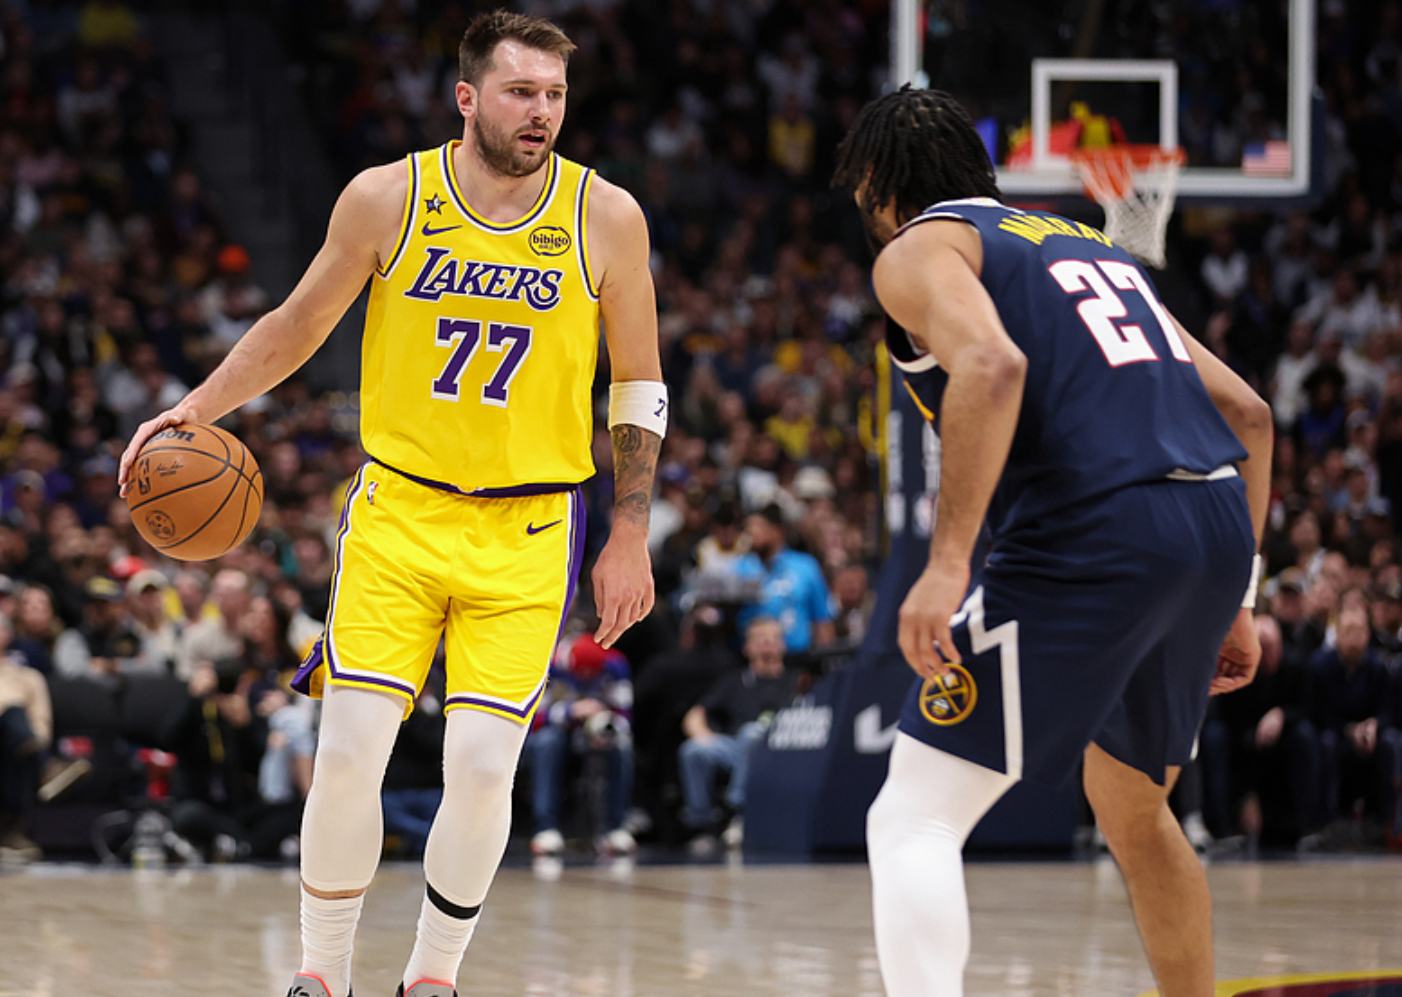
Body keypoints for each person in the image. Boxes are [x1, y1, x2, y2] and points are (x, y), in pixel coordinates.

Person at [118, 11, 664, 997]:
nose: (541, 112)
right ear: (467, 97)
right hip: (399, 514)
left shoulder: (606, 216)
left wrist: (630, 529)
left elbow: (638, 384)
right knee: (348, 750)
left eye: (553, 95)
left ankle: (431, 980)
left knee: (484, 767)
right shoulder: (388, 197)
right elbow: (297, 324)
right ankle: (321, 975)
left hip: (531, 526)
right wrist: (193, 409)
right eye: (520, 92)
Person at [832, 87, 1272, 997]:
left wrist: (945, 565)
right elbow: (1248, 412)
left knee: (912, 815)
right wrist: (1241, 599)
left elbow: (992, 365)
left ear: (877, 185)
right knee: (1135, 810)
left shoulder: (920, 247)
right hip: (1214, 518)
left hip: (1097, 527)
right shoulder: (1086, 244)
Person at [677, 616, 800, 850]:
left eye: (772, 639)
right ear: (747, 647)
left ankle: (737, 809)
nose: (766, 645)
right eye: (760, 639)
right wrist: (704, 735)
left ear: (782, 645)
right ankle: (701, 825)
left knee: (753, 733)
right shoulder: (734, 681)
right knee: (693, 750)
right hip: (736, 750)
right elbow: (694, 715)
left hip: (782, 749)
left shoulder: (797, 681)